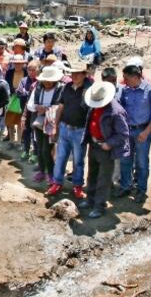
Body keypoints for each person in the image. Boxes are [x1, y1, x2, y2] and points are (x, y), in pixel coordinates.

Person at [83, 79, 130, 219]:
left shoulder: (116, 112)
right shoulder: (94, 106)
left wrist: (109, 143)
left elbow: (123, 133)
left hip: (106, 148)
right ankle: (90, 199)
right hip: (94, 144)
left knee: (104, 178)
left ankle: (99, 206)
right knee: (92, 174)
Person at [117, 63, 151, 200]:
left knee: (141, 162)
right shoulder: (125, 90)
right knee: (125, 160)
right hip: (127, 131)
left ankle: (141, 190)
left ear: (135, 77)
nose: (124, 81)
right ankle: (125, 186)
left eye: (126, 78)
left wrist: (147, 131)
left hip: (142, 131)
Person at [46, 61, 91, 200]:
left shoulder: (89, 89)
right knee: (60, 158)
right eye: (73, 73)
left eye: (78, 73)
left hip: (80, 130)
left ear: (84, 74)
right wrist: (55, 125)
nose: (75, 75)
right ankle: (57, 183)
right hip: (65, 127)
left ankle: (77, 186)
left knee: (78, 160)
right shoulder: (67, 87)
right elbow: (61, 106)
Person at [27, 64, 64, 182]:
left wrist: (47, 109)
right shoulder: (38, 88)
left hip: (52, 122)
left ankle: (51, 173)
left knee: (46, 149)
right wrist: (37, 107)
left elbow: (61, 106)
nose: (47, 83)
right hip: (39, 121)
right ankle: (42, 171)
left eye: (50, 80)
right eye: (45, 80)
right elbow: (30, 105)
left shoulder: (60, 89)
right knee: (39, 148)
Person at [14, 60, 40, 161]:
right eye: (29, 69)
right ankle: (26, 150)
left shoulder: (40, 81)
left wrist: (25, 92)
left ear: (38, 69)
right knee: (25, 130)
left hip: (36, 111)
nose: (31, 72)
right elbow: (19, 93)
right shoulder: (24, 80)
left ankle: (35, 153)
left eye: (33, 69)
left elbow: (27, 93)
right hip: (25, 108)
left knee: (35, 132)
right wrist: (25, 92)